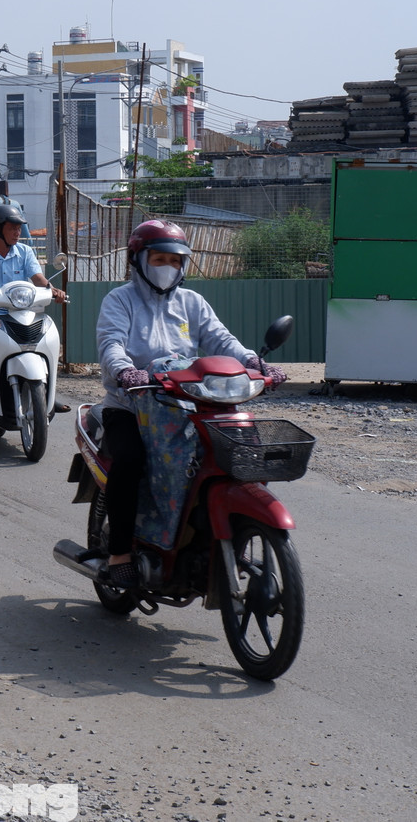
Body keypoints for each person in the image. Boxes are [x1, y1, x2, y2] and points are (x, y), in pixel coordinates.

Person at [95, 219, 286, 589]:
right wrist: (125, 372)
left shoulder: (192, 302)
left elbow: (222, 341)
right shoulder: (119, 300)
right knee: (130, 460)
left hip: (190, 405)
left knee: (236, 454)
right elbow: (111, 344)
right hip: (130, 405)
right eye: (159, 258)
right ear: (138, 259)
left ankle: (225, 530)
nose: (168, 267)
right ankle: (119, 553)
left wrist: (256, 364)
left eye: (175, 260)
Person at [0, 204, 70, 413]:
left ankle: (47, 394)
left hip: (21, 312)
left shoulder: (25, 251)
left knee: (46, 336)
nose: (17, 232)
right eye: (13, 228)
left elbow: (37, 278)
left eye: (19, 228)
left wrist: (53, 289)